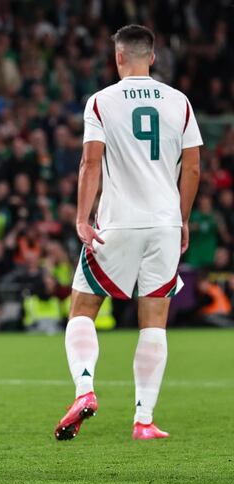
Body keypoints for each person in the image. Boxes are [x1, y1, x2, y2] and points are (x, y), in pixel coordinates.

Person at [54, 25, 202, 441]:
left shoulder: (101, 102)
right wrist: (183, 218)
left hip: (118, 222)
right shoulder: (180, 102)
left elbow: (89, 163)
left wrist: (83, 218)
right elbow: (191, 169)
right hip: (164, 223)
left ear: (118, 57)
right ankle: (144, 420)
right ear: (152, 57)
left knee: (83, 309)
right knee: (154, 321)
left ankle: (84, 390)